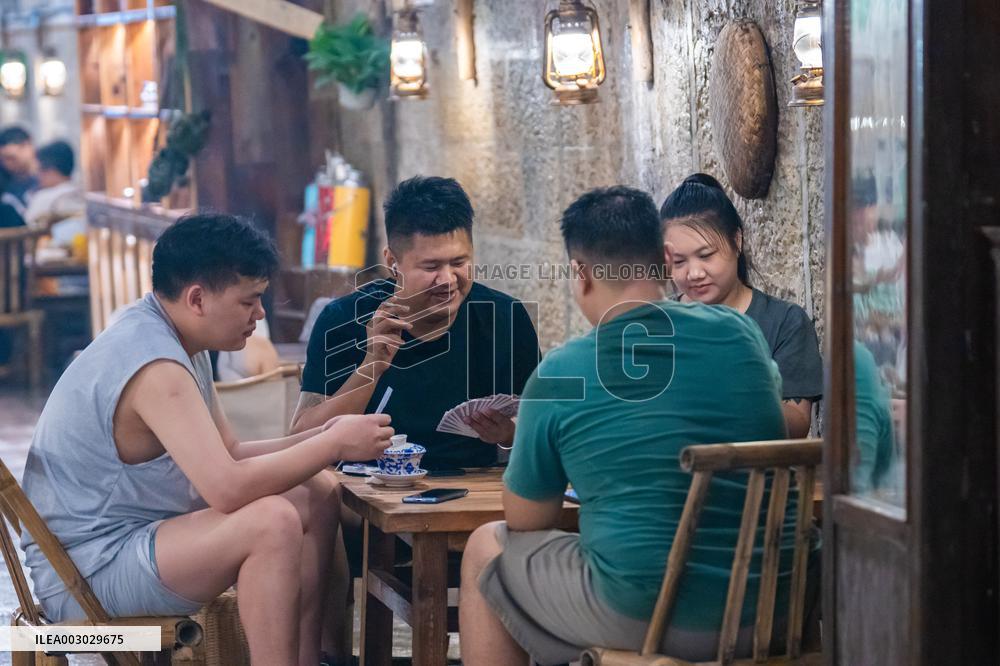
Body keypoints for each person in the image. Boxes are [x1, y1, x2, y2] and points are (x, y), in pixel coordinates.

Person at [20, 213, 394, 666]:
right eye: (249, 301)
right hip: (84, 577)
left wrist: (326, 433)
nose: (259, 314)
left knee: (312, 492)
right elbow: (228, 486)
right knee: (270, 520)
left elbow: (230, 454)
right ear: (197, 298)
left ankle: (310, 657)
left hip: (127, 542)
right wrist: (332, 446)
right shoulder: (156, 366)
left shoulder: (172, 337)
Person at [459, 186, 801, 665]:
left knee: (484, 549)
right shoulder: (742, 334)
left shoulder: (561, 373)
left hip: (650, 617)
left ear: (579, 275)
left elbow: (527, 521)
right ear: (664, 260)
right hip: (774, 610)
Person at [291, 175, 540, 468]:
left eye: (459, 263)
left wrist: (509, 434)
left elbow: (546, 429)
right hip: (368, 488)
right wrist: (372, 365)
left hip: (475, 486)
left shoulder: (504, 317)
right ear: (392, 262)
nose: (448, 280)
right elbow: (302, 439)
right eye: (431, 266)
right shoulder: (343, 320)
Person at [660, 173, 823, 438]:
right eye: (679, 262)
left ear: (737, 241)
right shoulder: (656, 324)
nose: (694, 273)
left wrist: (734, 387)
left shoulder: (784, 321)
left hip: (759, 476)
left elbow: (797, 426)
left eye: (705, 256)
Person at [23, 140, 85, 242]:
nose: (38, 176)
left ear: (50, 170)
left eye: (39, 170)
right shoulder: (83, 193)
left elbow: (27, 229)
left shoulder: (43, 197)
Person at [0, 125, 39, 205]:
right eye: (2, 159)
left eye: (10, 158)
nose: (6, 164)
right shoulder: (4, 184)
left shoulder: (48, 177)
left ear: (27, 147)